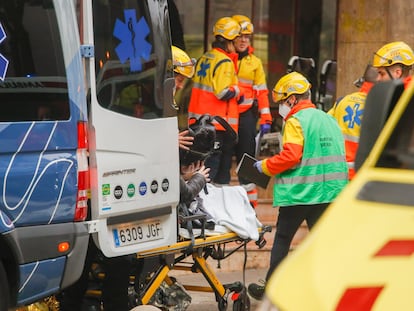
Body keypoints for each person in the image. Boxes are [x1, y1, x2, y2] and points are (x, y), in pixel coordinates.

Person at [247, 71, 348, 300]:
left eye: (283, 101)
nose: (282, 106)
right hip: (329, 193)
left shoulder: (296, 121)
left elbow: (291, 156)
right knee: (322, 243)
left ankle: (271, 287)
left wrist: (265, 166)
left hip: (300, 193)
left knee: (282, 240)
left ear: (292, 99)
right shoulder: (328, 119)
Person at [187, 16, 241, 185]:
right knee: (214, 171)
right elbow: (222, 92)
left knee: (201, 166)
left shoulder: (206, 57)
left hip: (200, 122)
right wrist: (238, 90)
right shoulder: (224, 61)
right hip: (216, 124)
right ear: (229, 40)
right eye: (236, 38)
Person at [231, 14, 272, 207]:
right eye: (239, 36)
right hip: (224, 116)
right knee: (220, 164)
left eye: (247, 37)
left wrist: (266, 117)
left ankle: (251, 209)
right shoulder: (224, 59)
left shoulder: (254, 62)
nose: (243, 40)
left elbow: (262, 92)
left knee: (247, 163)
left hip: (246, 116)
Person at [327, 64, 377, 179]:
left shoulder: (342, 101)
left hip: (337, 173)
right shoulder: (380, 106)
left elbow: (325, 128)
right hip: (362, 176)